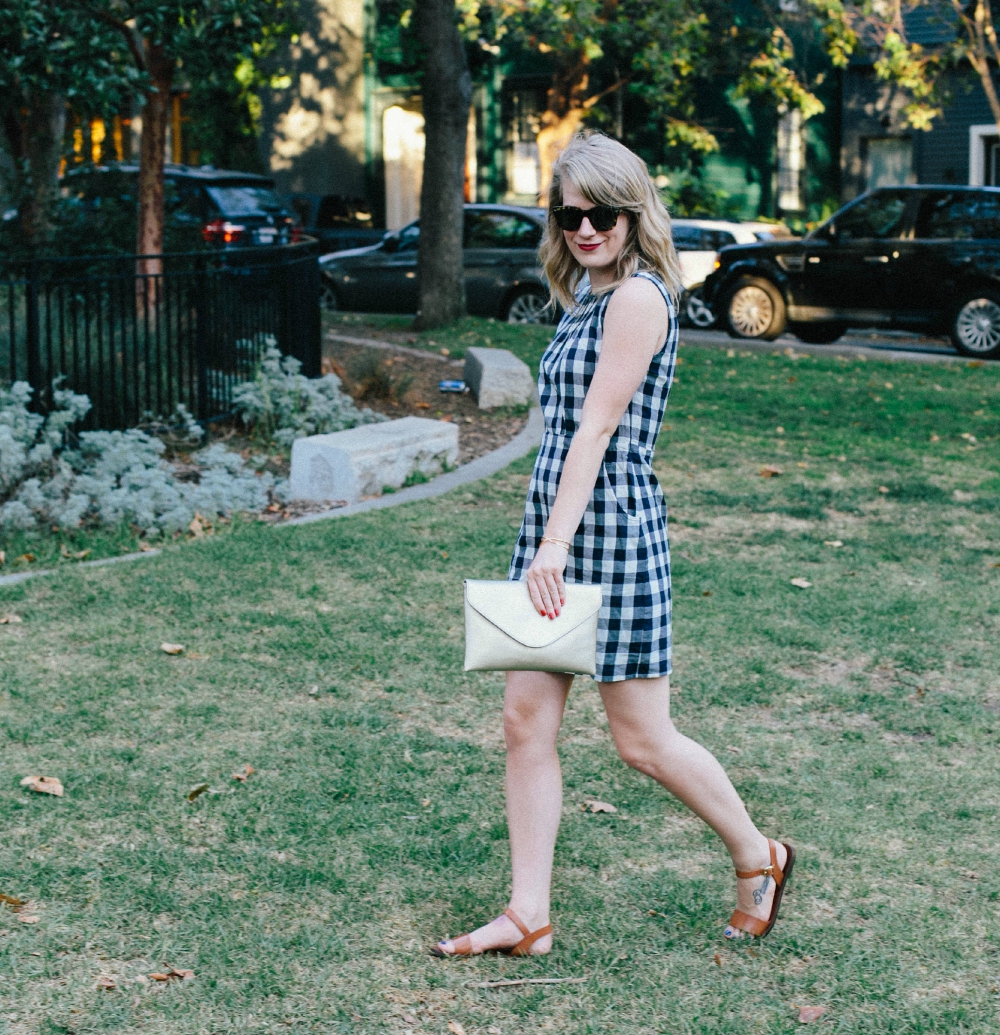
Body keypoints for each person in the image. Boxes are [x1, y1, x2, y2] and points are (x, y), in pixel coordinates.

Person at [432, 133, 794, 959]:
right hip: (556, 527)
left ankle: (757, 852)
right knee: (525, 719)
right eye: (570, 213)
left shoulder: (637, 300)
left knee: (641, 741)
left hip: (610, 532)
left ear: (634, 215)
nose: (585, 228)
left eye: (602, 213)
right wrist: (544, 535)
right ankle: (529, 914)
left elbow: (597, 428)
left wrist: (555, 541)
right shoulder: (586, 300)